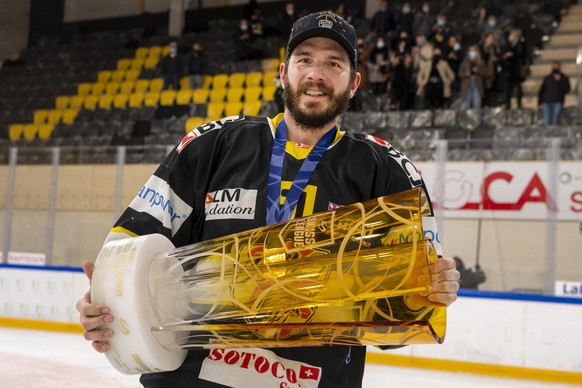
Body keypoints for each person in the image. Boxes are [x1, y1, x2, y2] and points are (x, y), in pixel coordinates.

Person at [76, 11, 460, 388]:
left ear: (354, 82)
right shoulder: (215, 144)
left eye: (333, 63)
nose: (316, 74)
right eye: (304, 60)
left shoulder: (386, 169)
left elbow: (397, 321)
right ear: (283, 72)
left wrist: (431, 293)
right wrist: (103, 304)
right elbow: (129, 248)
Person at [538, 61, 571, 126]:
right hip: (546, 102)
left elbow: (567, 90)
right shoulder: (547, 78)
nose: (555, 68)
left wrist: (560, 81)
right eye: (554, 66)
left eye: (557, 66)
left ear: (560, 67)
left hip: (557, 102)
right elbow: (541, 91)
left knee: (555, 122)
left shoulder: (564, 78)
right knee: (546, 122)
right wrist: (539, 103)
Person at [503, 29, 526, 108]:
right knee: (509, 88)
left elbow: (522, 55)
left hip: (517, 70)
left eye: (512, 35)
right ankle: (508, 105)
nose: (510, 37)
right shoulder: (509, 45)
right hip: (510, 70)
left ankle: (519, 104)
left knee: (518, 87)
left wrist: (512, 55)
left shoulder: (520, 44)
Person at [459, 45, 487, 109]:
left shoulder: (480, 62)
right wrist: (465, 74)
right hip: (467, 85)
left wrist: (478, 71)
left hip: (477, 85)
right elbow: (460, 73)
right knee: (465, 106)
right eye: (470, 51)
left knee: (476, 105)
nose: (472, 52)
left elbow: (485, 73)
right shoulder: (464, 62)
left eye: (473, 51)